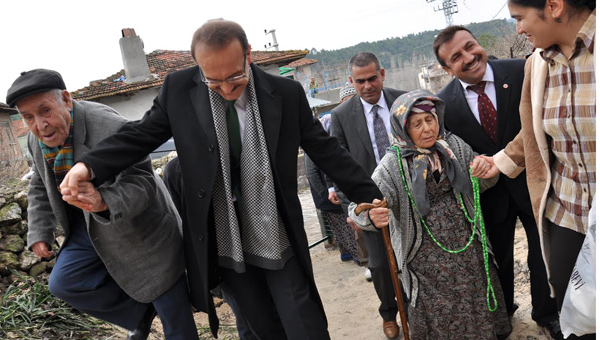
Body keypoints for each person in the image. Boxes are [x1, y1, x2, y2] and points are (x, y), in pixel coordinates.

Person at [59, 19, 383, 340]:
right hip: (224, 238)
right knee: (261, 328)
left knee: (305, 323)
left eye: (235, 78)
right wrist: (87, 168)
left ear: (249, 55)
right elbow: (139, 135)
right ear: (197, 65)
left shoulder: (285, 93)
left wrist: (373, 196)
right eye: (214, 82)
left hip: (276, 229)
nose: (226, 90)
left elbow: (326, 151)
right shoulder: (178, 91)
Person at [5, 69, 198, 340]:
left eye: (45, 110)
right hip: (87, 226)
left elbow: (143, 183)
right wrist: (39, 231)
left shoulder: (108, 125)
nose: (40, 124)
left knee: (175, 318)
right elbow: (39, 183)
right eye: (28, 117)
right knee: (64, 283)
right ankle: (139, 315)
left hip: (142, 230)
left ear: (66, 100)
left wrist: (103, 200)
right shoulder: (37, 140)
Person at [349, 89, 513, 339]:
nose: (427, 128)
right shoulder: (392, 165)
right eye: (416, 124)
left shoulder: (453, 146)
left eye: (430, 119)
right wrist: (370, 217)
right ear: (403, 128)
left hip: (466, 240)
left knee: (474, 291)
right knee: (437, 308)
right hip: (423, 251)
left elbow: (480, 185)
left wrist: (484, 167)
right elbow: (360, 207)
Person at [478, 1, 596, 339]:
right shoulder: (537, 66)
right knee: (575, 309)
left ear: (554, 6)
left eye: (519, 18)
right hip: (567, 214)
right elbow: (531, 132)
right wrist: (498, 162)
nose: (518, 29)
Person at [433, 25, 560, 337]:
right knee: (496, 260)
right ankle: (502, 316)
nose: (469, 57)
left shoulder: (521, 72)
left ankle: (547, 314)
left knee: (542, 255)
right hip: (489, 196)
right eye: (456, 56)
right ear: (446, 67)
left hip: (535, 183)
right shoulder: (442, 105)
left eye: (470, 46)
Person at [328, 52, 406, 339]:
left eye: (372, 78)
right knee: (380, 265)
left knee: (409, 259)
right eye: (360, 81)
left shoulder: (403, 101)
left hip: (409, 199)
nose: (367, 86)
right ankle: (389, 313)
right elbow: (337, 163)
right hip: (369, 203)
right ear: (352, 81)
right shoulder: (340, 116)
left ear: (382, 74)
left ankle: (414, 310)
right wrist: (352, 209)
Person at [305, 114, 360, 264]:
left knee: (339, 227)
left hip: (330, 194)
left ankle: (346, 254)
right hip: (328, 196)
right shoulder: (315, 145)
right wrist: (324, 194)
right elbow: (312, 174)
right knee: (345, 227)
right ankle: (356, 255)